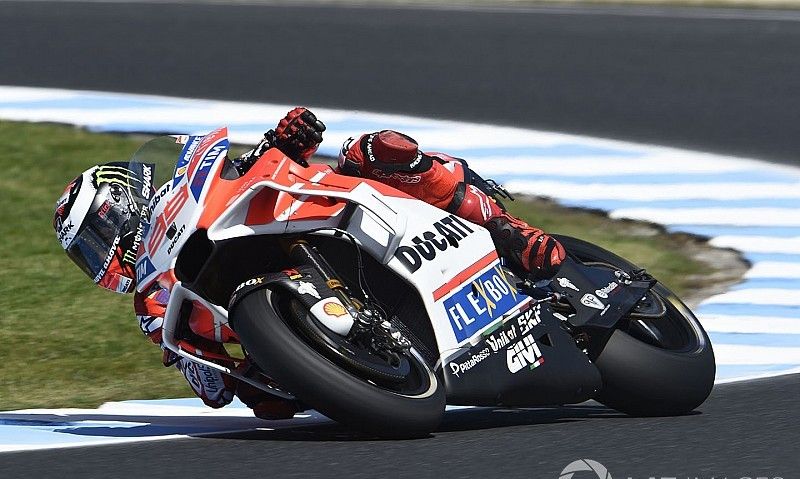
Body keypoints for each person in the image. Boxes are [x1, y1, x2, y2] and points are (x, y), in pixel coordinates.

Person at [53, 107, 565, 419]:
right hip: (305, 367)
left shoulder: (186, 193)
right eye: (88, 252)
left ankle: (504, 229)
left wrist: (285, 139)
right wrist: (220, 365)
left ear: (125, 198)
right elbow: (211, 390)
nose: (101, 253)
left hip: (324, 219)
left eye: (97, 234)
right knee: (272, 408)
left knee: (375, 150)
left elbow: (262, 167)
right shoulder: (151, 303)